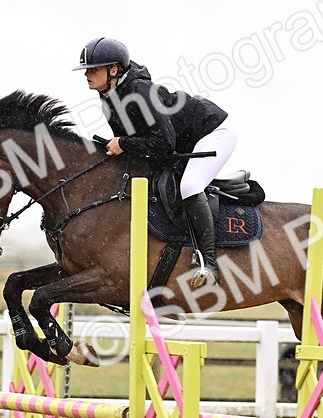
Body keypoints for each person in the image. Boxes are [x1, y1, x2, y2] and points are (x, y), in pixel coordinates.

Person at [75, 36, 236, 287]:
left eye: (93, 69)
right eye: (86, 70)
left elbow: (163, 143)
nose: (87, 74)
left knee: (190, 186)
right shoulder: (108, 98)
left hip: (212, 133)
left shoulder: (140, 92)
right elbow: (135, 144)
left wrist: (123, 144)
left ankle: (209, 263)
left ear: (113, 69)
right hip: (182, 144)